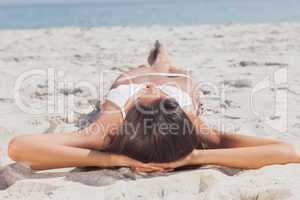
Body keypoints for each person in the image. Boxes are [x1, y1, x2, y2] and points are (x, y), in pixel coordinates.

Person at [8, 41, 300, 173]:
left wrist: (112, 160)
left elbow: (19, 147)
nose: (152, 88)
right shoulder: (194, 129)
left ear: (130, 119)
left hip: (129, 81)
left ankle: (159, 54)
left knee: (149, 69)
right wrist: (193, 156)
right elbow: (288, 152)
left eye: (148, 98)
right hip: (177, 82)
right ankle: (161, 54)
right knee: (162, 67)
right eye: (159, 97)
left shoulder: (106, 131)